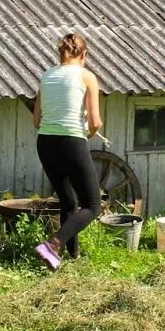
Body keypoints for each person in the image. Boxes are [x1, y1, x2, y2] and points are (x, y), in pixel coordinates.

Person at [30, 33, 104, 271]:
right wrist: (88, 134)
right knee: (93, 206)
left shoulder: (46, 76)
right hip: (72, 142)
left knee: (68, 201)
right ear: (84, 54)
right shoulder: (86, 76)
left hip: (46, 143)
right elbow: (95, 122)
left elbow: (36, 120)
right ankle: (53, 243)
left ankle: (71, 257)